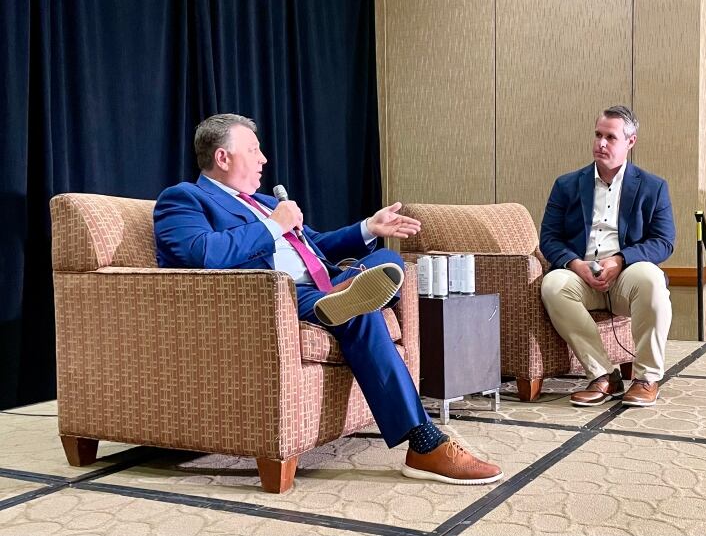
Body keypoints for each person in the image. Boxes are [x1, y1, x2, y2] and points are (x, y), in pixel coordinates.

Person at [154, 113, 503, 485]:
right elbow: (203, 253)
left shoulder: (260, 202)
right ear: (222, 158)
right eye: (254, 150)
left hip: (322, 288)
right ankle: (424, 442)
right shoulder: (183, 198)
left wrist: (369, 227)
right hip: (277, 298)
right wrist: (275, 225)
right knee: (361, 309)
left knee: (387, 260)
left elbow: (314, 247)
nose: (263, 160)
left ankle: (346, 294)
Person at [539, 105, 675, 407]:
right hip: (581, 275)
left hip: (627, 275)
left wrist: (620, 259)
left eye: (610, 137)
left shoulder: (653, 187)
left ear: (630, 141)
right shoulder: (566, 185)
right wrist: (576, 264)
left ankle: (646, 378)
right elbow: (548, 239)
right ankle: (603, 374)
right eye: (598, 135)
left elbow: (664, 242)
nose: (601, 143)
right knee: (553, 285)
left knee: (652, 278)